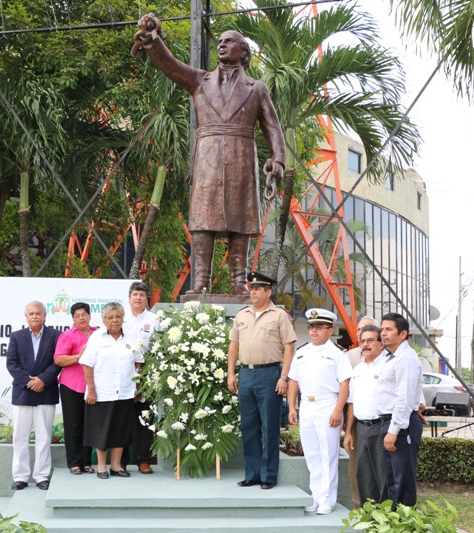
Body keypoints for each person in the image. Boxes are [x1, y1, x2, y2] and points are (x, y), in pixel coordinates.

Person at [132, 15, 286, 295]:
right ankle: (201, 282)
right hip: (208, 159)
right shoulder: (199, 81)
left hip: (241, 158)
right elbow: (171, 66)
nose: (221, 44)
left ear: (243, 51)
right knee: (203, 220)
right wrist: (153, 40)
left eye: (229, 41)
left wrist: (278, 160)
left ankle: (238, 282)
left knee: (240, 221)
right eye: (220, 41)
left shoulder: (257, 89)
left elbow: (272, 127)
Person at [228, 271, 297, 489]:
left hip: (270, 374)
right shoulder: (242, 315)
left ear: (268, 292)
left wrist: (284, 377)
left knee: (269, 427)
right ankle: (253, 474)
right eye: (252, 289)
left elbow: (289, 346)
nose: (253, 293)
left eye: (258, 289)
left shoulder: (279, 315)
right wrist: (231, 373)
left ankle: (268, 476)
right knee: (248, 427)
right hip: (246, 374)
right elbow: (234, 345)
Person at [288, 308, 352, 515]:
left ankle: (327, 500)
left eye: (319, 327)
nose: (314, 331)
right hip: (306, 406)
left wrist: (338, 410)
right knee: (312, 455)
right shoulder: (302, 352)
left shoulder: (337, 354)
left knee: (328, 455)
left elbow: (344, 384)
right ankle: (315, 497)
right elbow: (293, 381)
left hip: (328, 405)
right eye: (311, 327)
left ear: (329, 330)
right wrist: (291, 407)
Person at [81, 302, 144, 479]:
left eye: (118, 316)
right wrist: (91, 390)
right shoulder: (97, 337)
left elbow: (138, 361)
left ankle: (116, 466)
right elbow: (86, 364)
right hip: (102, 393)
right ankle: (102, 466)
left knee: (120, 430)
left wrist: (137, 387)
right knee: (101, 431)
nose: (114, 320)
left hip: (124, 392)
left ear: (123, 318)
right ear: (104, 320)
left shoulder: (131, 336)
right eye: (110, 317)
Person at [6, 301, 61, 491]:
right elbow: (11, 363)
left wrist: (43, 380)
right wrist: (30, 382)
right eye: (31, 314)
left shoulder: (56, 335)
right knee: (19, 437)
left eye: (38, 313)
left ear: (45, 316)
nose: (35, 316)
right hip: (23, 392)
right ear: (26, 317)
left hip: (46, 391)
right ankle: (20, 477)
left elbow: (58, 362)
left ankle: (41, 476)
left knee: (44, 437)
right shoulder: (16, 336)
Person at [374, 312, 423, 510]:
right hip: (390, 421)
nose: (383, 333)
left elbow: (404, 398)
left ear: (403, 334)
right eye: (382, 329)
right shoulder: (391, 357)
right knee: (393, 479)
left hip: (400, 425)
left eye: (388, 329)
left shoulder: (406, 358)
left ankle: (404, 520)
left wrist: (393, 430)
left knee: (403, 482)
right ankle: (394, 520)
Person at [344, 323, 389, 505]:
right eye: (362, 341)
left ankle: (386, 515)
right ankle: (368, 514)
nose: (365, 345)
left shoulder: (388, 366)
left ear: (381, 343)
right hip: (361, 428)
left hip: (381, 426)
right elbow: (352, 403)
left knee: (383, 475)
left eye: (370, 340)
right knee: (363, 475)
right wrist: (348, 432)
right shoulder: (358, 370)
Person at [54, 302, 98, 476]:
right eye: (77, 316)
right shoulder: (67, 335)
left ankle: (86, 462)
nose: (81, 318)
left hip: (93, 387)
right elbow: (58, 359)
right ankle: (74, 463)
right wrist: (78, 357)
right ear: (73, 318)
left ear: (90, 315)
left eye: (84, 314)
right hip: (71, 386)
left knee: (90, 425)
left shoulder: (98, 333)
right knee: (74, 425)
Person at [124, 281, 160, 474]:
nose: (138, 298)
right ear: (129, 298)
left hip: (147, 371)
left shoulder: (155, 320)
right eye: (135, 294)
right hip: (123, 371)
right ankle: (120, 461)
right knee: (122, 417)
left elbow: (161, 347)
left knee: (145, 417)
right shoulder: (120, 318)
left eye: (142, 295)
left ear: (147, 299)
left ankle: (144, 460)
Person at [342, 315, 377, 508]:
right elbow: (350, 398)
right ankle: (359, 507)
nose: (364, 338)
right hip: (357, 422)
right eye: (359, 332)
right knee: (356, 468)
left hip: (381, 424)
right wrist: (347, 429)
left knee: (379, 469)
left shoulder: (388, 360)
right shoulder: (351, 359)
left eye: (368, 332)